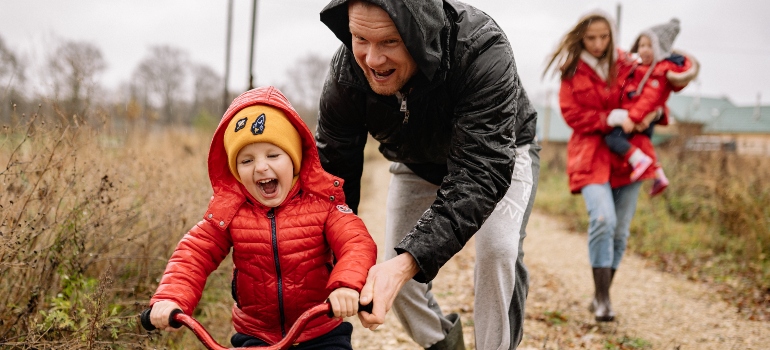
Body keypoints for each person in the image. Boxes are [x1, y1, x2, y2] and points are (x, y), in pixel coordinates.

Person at [316, 0, 539, 349]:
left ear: (420, 32)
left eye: (389, 42)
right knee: (393, 272)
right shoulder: (346, 73)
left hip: (498, 154)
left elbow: (480, 174)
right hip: (416, 161)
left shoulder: (481, 48)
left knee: (497, 250)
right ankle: (445, 345)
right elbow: (333, 178)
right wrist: (334, 261)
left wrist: (407, 263)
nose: (372, 60)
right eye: (360, 38)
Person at [147, 86, 377, 349]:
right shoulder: (230, 212)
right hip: (256, 332)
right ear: (235, 171)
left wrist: (346, 285)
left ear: (295, 158)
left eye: (273, 155)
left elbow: (357, 243)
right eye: (246, 161)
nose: (261, 167)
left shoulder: (323, 203)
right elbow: (194, 254)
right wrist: (170, 297)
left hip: (320, 328)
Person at [543, 11, 655, 322]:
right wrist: (608, 118)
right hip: (590, 154)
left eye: (603, 37)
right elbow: (572, 114)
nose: (597, 44)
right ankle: (604, 299)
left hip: (628, 154)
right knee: (603, 219)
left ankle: (600, 295)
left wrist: (651, 113)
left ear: (611, 36)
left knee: (620, 231)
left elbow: (652, 89)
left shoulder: (627, 63)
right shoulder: (572, 70)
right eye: (591, 38)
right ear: (581, 37)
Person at [609, 18, 699, 196]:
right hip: (639, 115)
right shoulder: (639, 68)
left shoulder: (658, 72)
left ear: (660, 49)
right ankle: (658, 174)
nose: (644, 50)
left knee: (613, 139)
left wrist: (633, 118)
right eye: (641, 45)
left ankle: (639, 161)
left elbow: (649, 99)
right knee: (642, 143)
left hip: (639, 117)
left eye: (650, 46)